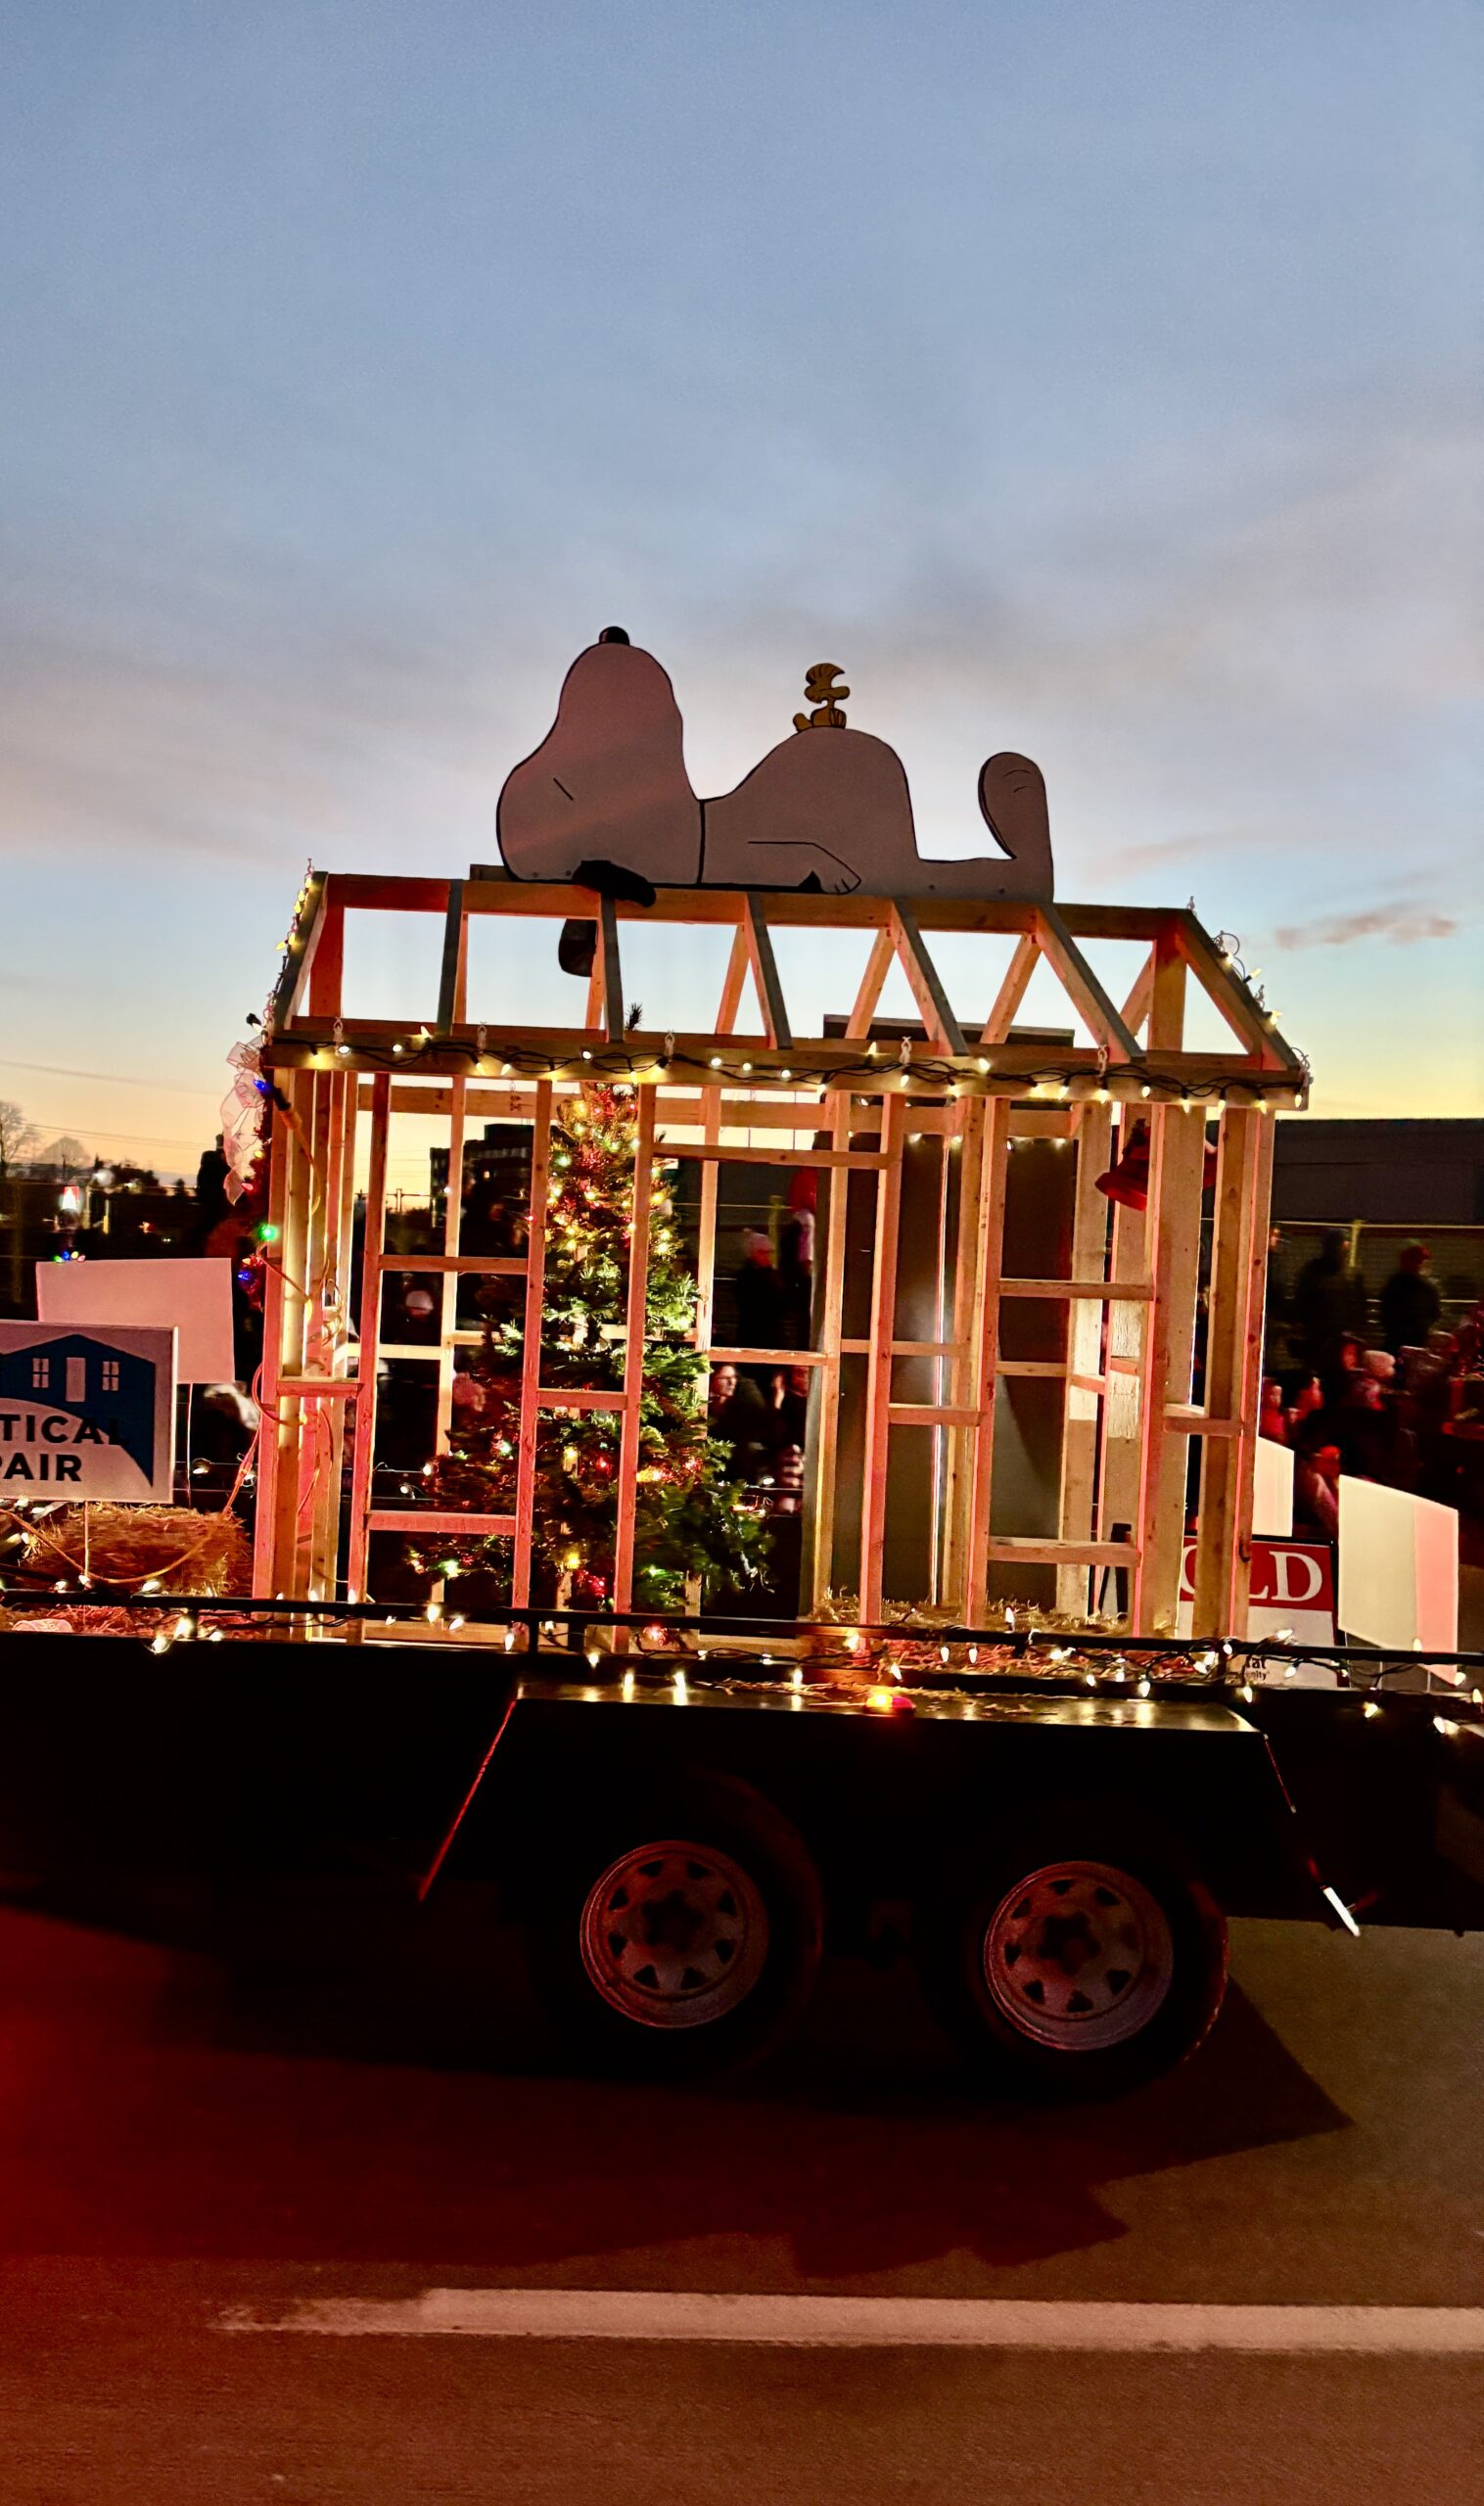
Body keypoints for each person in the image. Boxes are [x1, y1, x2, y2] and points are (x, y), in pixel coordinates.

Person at [1292, 1230, 1368, 1388]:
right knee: (1317, 1384)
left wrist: (1358, 1332)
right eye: (1341, 1247)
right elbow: (1302, 1303)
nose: (1343, 1251)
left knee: (1341, 1383)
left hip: (1344, 1341)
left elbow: (1359, 1306)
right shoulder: (1314, 1272)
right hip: (1319, 1339)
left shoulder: (1351, 1274)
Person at [707, 1363, 769, 1480]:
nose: (732, 1383)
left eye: (734, 1377)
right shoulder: (704, 1404)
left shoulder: (743, 1401)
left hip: (737, 1459)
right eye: (724, 1378)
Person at [1378, 1242, 1442, 1357]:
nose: (1423, 1265)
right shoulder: (1425, 1287)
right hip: (1410, 1341)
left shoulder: (1394, 1284)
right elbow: (1435, 1313)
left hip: (1402, 1341)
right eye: (1420, 1261)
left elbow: (1385, 1313)